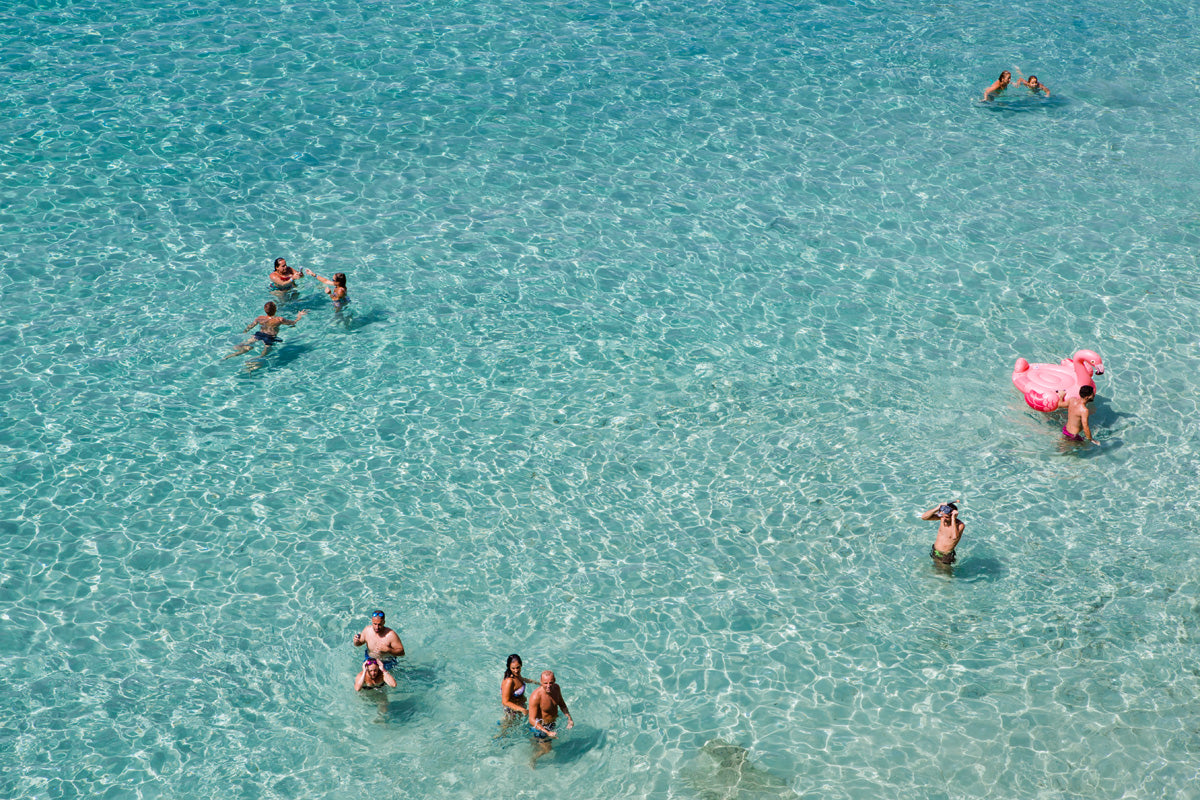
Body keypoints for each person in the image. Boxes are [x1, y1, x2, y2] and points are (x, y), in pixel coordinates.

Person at [224, 301, 306, 358]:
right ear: (275, 309)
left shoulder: (260, 318)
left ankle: (228, 355)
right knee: (264, 354)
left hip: (259, 334)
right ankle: (255, 360)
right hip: (269, 337)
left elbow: (250, 326)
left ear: (265, 310)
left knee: (245, 345)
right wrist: (299, 316)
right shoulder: (279, 319)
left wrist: (245, 331)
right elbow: (293, 323)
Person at [528, 670, 574, 766]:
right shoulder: (536, 696)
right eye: (545, 683)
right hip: (540, 727)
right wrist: (547, 732)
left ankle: (534, 747)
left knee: (541, 746)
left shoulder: (556, 688)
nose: (548, 686)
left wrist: (569, 719)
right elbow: (531, 720)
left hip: (551, 724)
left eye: (551, 683)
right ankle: (532, 760)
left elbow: (562, 705)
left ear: (555, 681)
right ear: (541, 682)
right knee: (547, 749)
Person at [920, 501, 964, 567]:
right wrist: (937, 507)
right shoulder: (942, 518)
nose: (943, 518)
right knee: (935, 568)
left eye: (946, 517)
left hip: (946, 556)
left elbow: (954, 537)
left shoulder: (960, 525)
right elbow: (924, 517)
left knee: (944, 574)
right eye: (942, 516)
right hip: (935, 551)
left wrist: (953, 519)